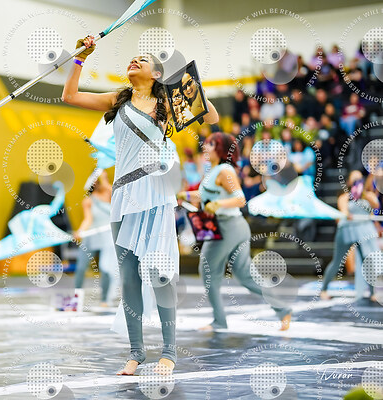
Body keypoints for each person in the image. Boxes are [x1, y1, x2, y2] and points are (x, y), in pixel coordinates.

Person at [62, 35, 220, 375]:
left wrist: (189, 85)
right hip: (123, 195)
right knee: (129, 276)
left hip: (156, 194)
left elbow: (211, 117)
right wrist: (81, 58)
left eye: (143, 59)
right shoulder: (117, 100)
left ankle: (169, 352)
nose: (135, 60)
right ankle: (136, 352)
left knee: (161, 274)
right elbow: (69, 96)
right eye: (133, 58)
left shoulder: (168, 102)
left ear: (156, 74)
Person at [177, 132, 292, 331]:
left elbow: (240, 198)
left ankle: (219, 321)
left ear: (220, 149)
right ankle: (283, 309)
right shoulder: (214, 171)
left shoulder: (224, 171)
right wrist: (184, 195)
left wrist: (218, 204)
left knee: (207, 271)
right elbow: (204, 196)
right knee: (246, 276)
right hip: (233, 228)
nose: (205, 147)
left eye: (210, 144)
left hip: (227, 228)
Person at [320, 171, 380, 301]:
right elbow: (344, 211)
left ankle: (372, 292)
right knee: (337, 261)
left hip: (363, 231)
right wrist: (348, 212)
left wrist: (363, 194)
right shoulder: (345, 196)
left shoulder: (367, 195)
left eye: (359, 178)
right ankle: (323, 289)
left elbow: (376, 205)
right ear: (349, 181)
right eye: (354, 178)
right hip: (347, 230)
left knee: (367, 261)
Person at [74, 170, 118, 307]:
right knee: (80, 267)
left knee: (105, 267)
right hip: (92, 235)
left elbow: (115, 192)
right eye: (99, 179)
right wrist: (80, 231)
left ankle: (104, 299)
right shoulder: (88, 200)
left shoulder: (111, 195)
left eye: (104, 179)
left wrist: (104, 180)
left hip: (107, 236)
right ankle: (76, 299)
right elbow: (88, 219)